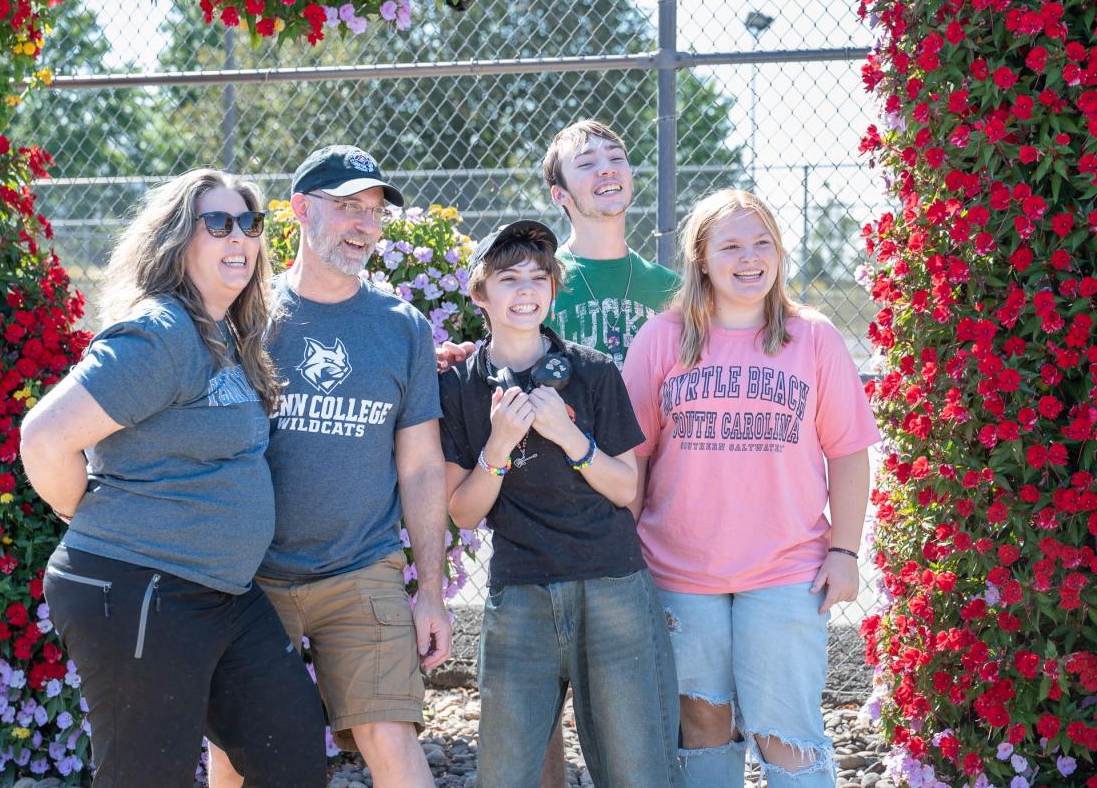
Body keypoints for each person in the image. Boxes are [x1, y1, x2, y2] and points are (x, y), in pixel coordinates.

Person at [20, 169, 325, 787]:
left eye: (250, 223)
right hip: (140, 588)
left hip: (220, 593)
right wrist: (93, 517)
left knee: (291, 746)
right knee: (146, 777)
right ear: (177, 240)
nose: (239, 236)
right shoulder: (161, 334)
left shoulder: (227, 335)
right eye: (218, 223)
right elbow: (44, 437)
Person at [208, 145, 452, 788]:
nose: (363, 224)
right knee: (237, 744)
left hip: (360, 567)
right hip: (250, 571)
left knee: (387, 731)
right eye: (347, 206)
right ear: (300, 210)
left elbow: (422, 466)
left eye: (373, 210)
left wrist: (431, 591)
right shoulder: (246, 317)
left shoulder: (403, 327)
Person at [621, 189, 879, 788]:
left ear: (779, 253)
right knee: (702, 723)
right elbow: (631, 461)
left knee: (782, 730)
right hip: (678, 569)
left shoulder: (813, 338)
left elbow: (847, 454)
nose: (749, 257)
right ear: (701, 258)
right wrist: (623, 559)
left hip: (786, 572)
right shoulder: (662, 339)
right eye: (731, 245)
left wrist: (844, 552)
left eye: (762, 242)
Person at [439, 220, 681, 788]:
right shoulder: (461, 386)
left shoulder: (592, 371)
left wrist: (569, 437)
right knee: (506, 769)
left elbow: (626, 488)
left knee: (635, 766)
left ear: (553, 288)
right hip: (521, 590)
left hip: (612, 584)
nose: (525, 291)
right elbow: (462, 511)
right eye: (507, 279)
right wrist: (498, 446)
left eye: (537, 278)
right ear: (480, 293)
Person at [543, 118, 681, 368]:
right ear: (559, 194)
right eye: (586, 163)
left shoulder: (670, 288)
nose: (607, 169)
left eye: (616, 158)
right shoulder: (539, 281)